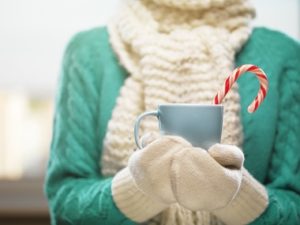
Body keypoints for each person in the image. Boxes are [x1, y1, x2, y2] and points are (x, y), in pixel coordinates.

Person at [45, 0, 300, 224]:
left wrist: (237, 196)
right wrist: (138, 189)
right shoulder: (86, 53)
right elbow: (65, 204)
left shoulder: (284, 56)